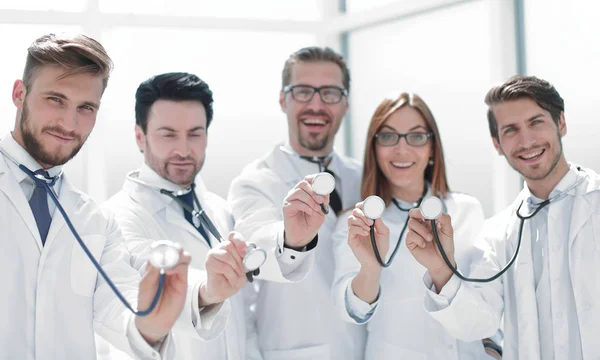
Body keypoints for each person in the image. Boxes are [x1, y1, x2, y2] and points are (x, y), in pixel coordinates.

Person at [0, 33, 208, 359]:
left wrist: (152, 321)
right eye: (55, 99)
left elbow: (116, 304)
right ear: (19, 94)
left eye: (86, 107)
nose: (69, 123)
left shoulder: (96, 220)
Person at [104, 71, 315, 359]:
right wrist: (206, 291)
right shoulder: (117, 216)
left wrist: (294, 240)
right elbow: (141, 284)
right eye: (168, 135)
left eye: (195, 134)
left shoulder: (217, 207)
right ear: (140, 136)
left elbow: (248, 299)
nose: (183, 149)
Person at [405, 75, 600, 359]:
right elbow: (479, 323)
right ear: (497, 144)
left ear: (561, 124)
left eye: (536, 122)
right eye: (510, 130)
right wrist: (440, 269)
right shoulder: (496, 233)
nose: (526, 140)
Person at [332, 92, 501, 359]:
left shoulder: (466, 210)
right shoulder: (356, 222)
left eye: (417, 136)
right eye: (387, 136)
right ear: (373, 147)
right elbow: (351, 310)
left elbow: (489, 308)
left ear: (432, 147)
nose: (402, 149)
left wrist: (494, 347)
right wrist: (370, 268)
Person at [228, 46, 365, 359]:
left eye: (330, 93)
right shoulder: (256, 181)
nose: (316, 105)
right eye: (303, 91)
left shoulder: (364, 178)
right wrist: (293, 239)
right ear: (283, 99)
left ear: (345, 103)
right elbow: (257, 247)